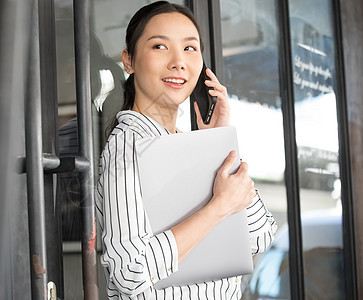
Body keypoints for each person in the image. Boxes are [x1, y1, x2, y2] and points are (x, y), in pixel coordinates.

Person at [94, 2, 277, 299]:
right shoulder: (129, 146)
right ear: (129, 61)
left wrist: (222, 144)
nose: (179, 62)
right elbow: (130, 271)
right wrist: (217, 209)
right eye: (159, 46)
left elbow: (260, 238)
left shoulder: (183, 144)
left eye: (190, 48)